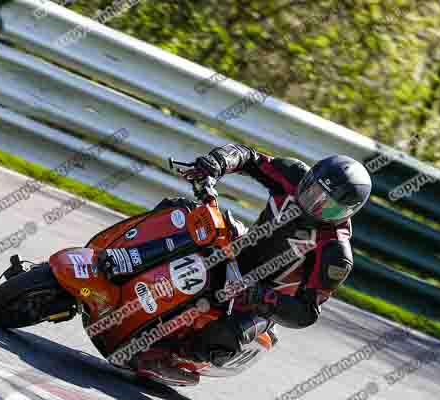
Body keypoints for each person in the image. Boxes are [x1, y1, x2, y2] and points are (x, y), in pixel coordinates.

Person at [98, 144, 372, 381]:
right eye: (313, 191)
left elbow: (307, 312)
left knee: (227, 335)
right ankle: (120, 256)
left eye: (329, 206)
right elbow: (250, 158)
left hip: (262, 296)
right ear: (309, 177)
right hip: (238, 250)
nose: (315, 204)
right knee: (183, 211)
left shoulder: (335, 252)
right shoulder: (292, 175)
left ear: (349, 212)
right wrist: (216, 163)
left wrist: (264, 297)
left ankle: (170, 355)